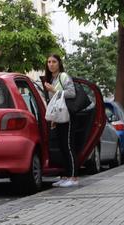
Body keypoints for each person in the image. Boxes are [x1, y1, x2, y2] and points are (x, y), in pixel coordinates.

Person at [43, 54, 79, 188]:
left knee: (68, 146)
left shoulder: (63, 76)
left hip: (68, 116)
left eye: (54, 62)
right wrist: (53, 119)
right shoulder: (52, 79)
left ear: (59, 63)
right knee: (62, 147)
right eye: (49, 62)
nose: (51, 64)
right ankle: (65, 176)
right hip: (59, 116)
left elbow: (72, 93)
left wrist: (54, 90)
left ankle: (74, 177)